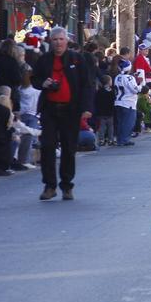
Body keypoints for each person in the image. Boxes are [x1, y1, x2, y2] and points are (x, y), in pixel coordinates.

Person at [31, 27, 94, 201]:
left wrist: (87, 108)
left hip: (71, 110)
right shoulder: (44, 60)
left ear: (66, 41)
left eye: (61, 39)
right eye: (55, 40)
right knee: (48, 147)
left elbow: (86, 85)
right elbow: (34, 79)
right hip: (50, 109)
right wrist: (43, 83)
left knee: (69, 148)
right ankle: (49, 185)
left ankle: (67, 185)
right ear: (50, 42)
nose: (58, 43)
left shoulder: (77, 59)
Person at [113, 61, 139, 146]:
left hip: (118, 102)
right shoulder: (129, 78)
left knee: (120, 122)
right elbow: (135, 90)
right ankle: (124, 139)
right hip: (128, 103)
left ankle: (119, 139)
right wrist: (140, 86)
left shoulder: (117, 77)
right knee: (128, 122)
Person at [94, 74, 115, 146]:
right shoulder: (111, 91)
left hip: (101, 112)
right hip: (109, 111)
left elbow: (96, 101)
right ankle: (110, 139)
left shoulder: (99, 91)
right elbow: (113, 99)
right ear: (109, 82)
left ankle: (101, 140)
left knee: (101, 127)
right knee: (110, 127)